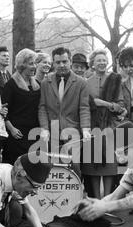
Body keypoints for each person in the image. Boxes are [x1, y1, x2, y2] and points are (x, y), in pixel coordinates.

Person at [38, 47, 91, 176]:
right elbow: (42, 107)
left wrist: (85, 129)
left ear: (70, 61)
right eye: (57, 62)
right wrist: (44, 128)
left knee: (74, 169)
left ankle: (76, 195)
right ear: (53, 63)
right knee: (52, 169)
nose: (61, 65)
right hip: (52, 132)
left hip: (72, 132)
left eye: (64, 61)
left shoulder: (81, 83)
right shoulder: (46, 82)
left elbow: (84, 108)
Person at [82, 49, 126, 198]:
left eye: (104, 60)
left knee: (109, 165)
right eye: (98, 60)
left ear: (108, 62)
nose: (102, 63)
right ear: (92, 64)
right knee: (92, 164)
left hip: (109, 126)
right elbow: (84, 105)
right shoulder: (86, 82)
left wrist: (105, 104)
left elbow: (120, 106)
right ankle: (96, 198)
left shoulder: (115, 80)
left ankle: (107, 199)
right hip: (92, 126)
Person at [1, 49, 41, 165]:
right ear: (22, 65)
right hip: (16, 136)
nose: (34, 66)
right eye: (31, 63)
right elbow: (3, 111)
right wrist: (11, 129)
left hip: (34, 135)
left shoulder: (37, 84)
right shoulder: (11, 85)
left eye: (35, 63)